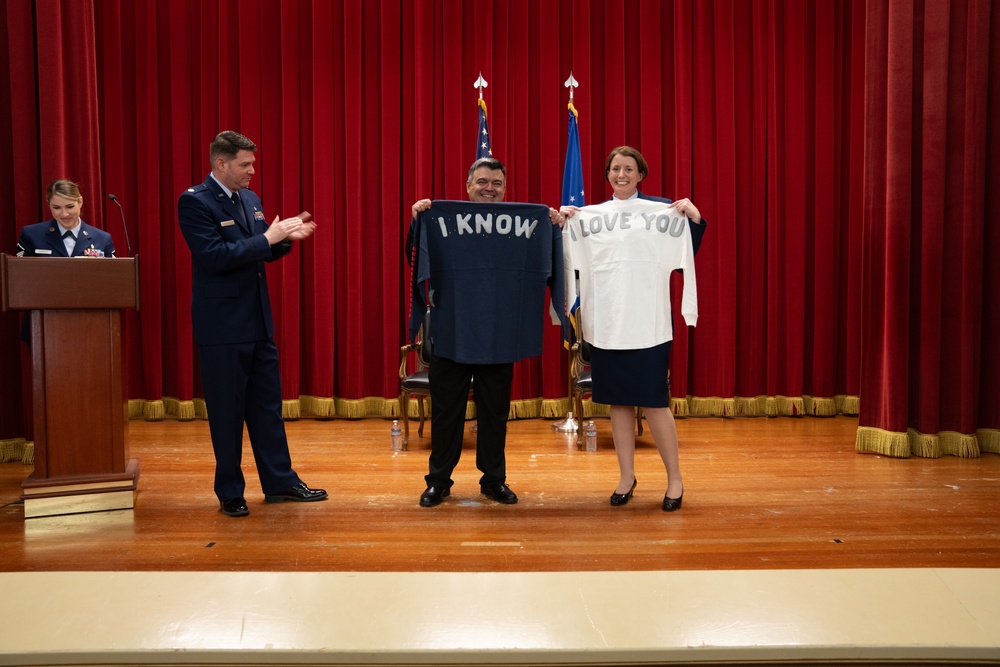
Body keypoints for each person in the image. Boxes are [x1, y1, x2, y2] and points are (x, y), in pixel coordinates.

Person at [177, 130, 327, 517]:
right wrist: (269, 237)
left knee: (267, 408)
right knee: (227, 412)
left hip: (258, 322)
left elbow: (259, 250)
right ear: (221, 163)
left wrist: (286, 238)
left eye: (252, 163)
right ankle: (230, 490)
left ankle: (280, 482)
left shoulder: (250, 199)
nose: (252, 171)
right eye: (245, 164)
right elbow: (214, 256)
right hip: (222, 327)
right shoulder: (194, 202)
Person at [408, 157, 565, 507]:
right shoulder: (441, 216)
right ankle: (439, 481)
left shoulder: (523, 222)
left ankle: (493, 480)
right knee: (447, 412)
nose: (489, 188)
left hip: (500, 331)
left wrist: (554, 226)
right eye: (482, 181)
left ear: (505, 189)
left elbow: (549, 258)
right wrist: (419, 220)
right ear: (467, 186)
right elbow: (416, 257)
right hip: (452, 329)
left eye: (496, 183)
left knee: (494, 413)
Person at [561, 145, 707, 512]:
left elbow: (684, 255)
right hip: (607, 326)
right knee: (619, 405)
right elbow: (566, 258)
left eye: (628, 168)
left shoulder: (662, 213)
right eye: (614, 168)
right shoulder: (589, 217)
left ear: (641, 174)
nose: (621, 174)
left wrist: (694, 218)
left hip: (649, 326)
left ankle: (675, 480)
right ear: (607, 174)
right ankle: (627, 476)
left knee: (656, 404)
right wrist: (563, 222)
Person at [16, 180, 115, 259]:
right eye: (56, 208)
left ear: (80, 202)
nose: (64, 214)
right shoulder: (32, 235)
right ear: (49, 205)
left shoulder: (102, 239)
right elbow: (19, 273)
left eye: (70, 207)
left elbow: (113, 276)